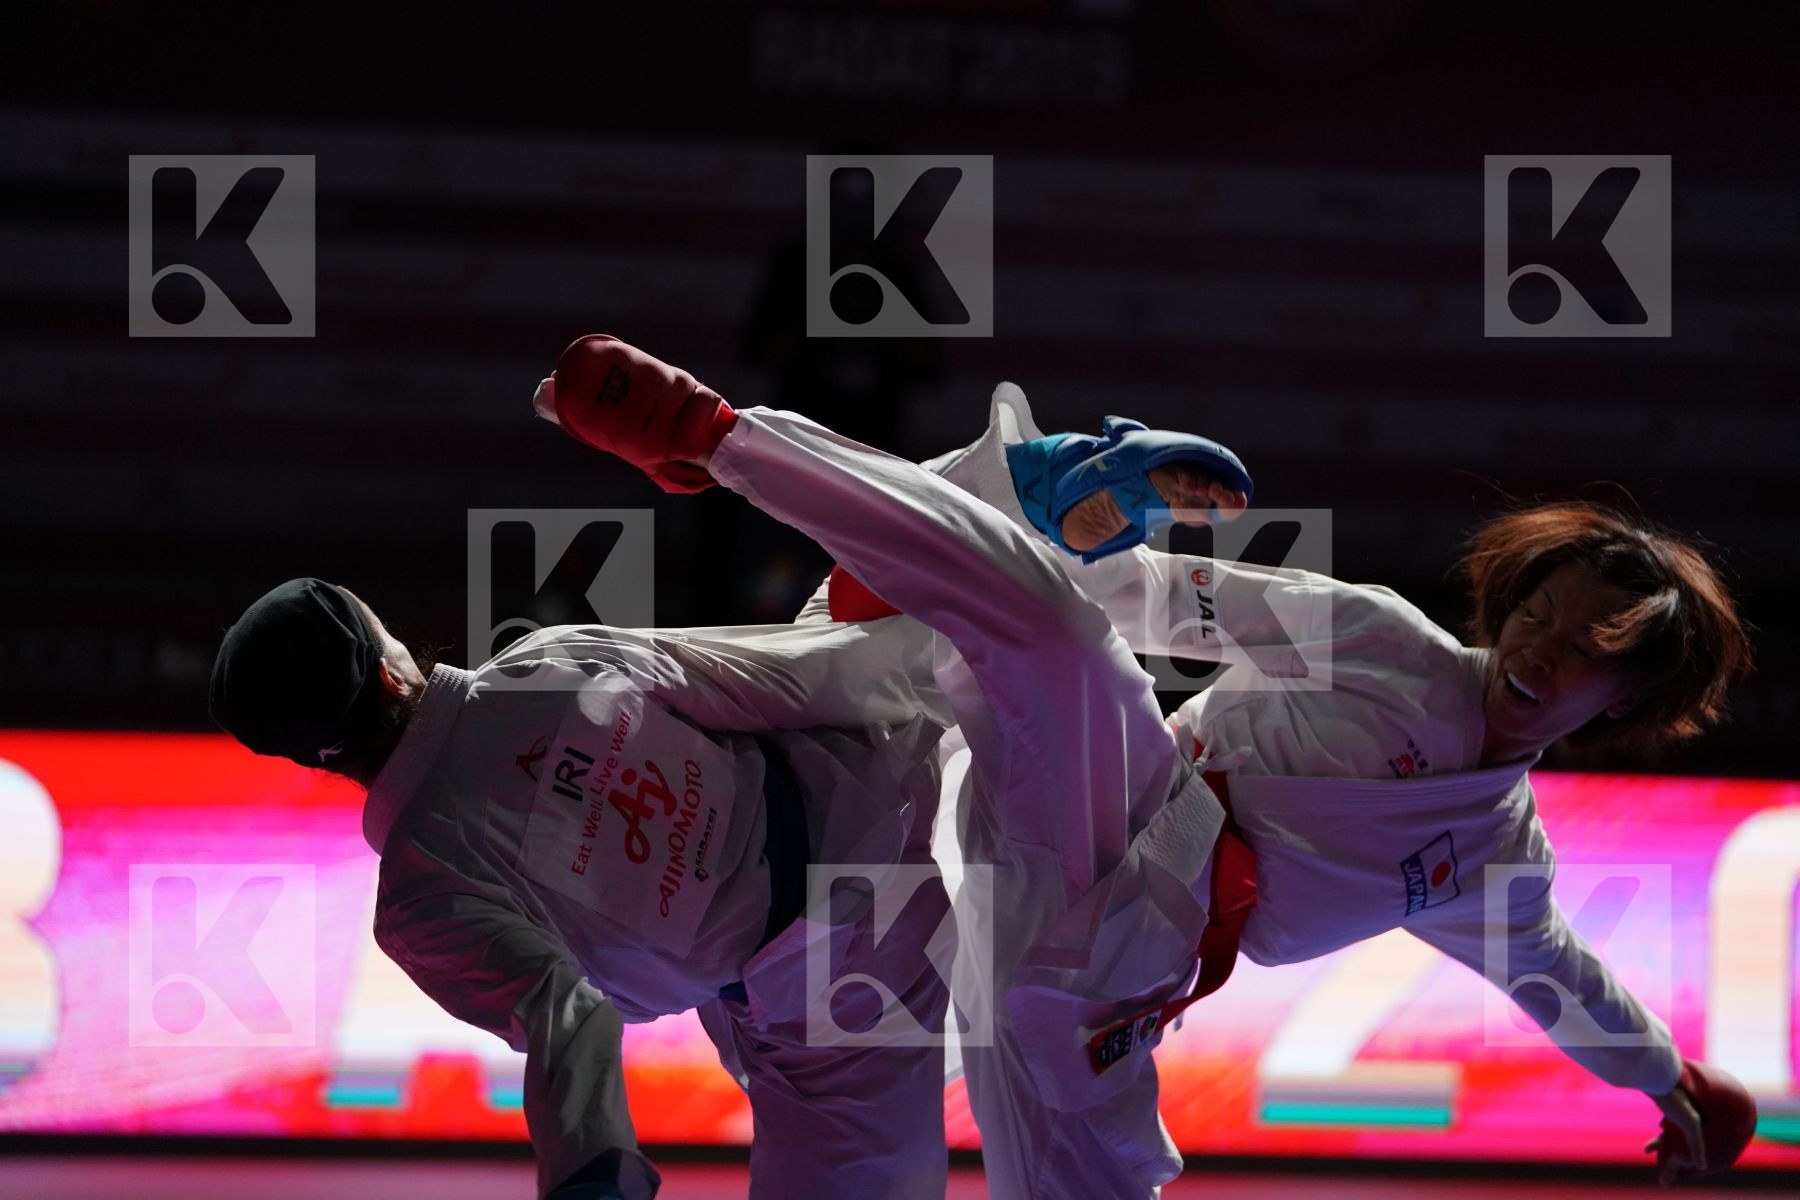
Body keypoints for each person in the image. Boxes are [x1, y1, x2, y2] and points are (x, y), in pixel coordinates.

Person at [821, 380, 1759, 1189]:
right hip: (1106, 796)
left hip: (1118, 969)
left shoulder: (1493, 853)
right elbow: (1154, 600)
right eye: (1537, 616)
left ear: (1624, 699)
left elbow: (1562, 982)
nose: (1538, 654)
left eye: (1582, 653)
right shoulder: (1386, 642)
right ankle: (1013, 498)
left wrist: (1666, 1077)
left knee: (1049, 1171)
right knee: (1034, 640)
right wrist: (1097, 534)